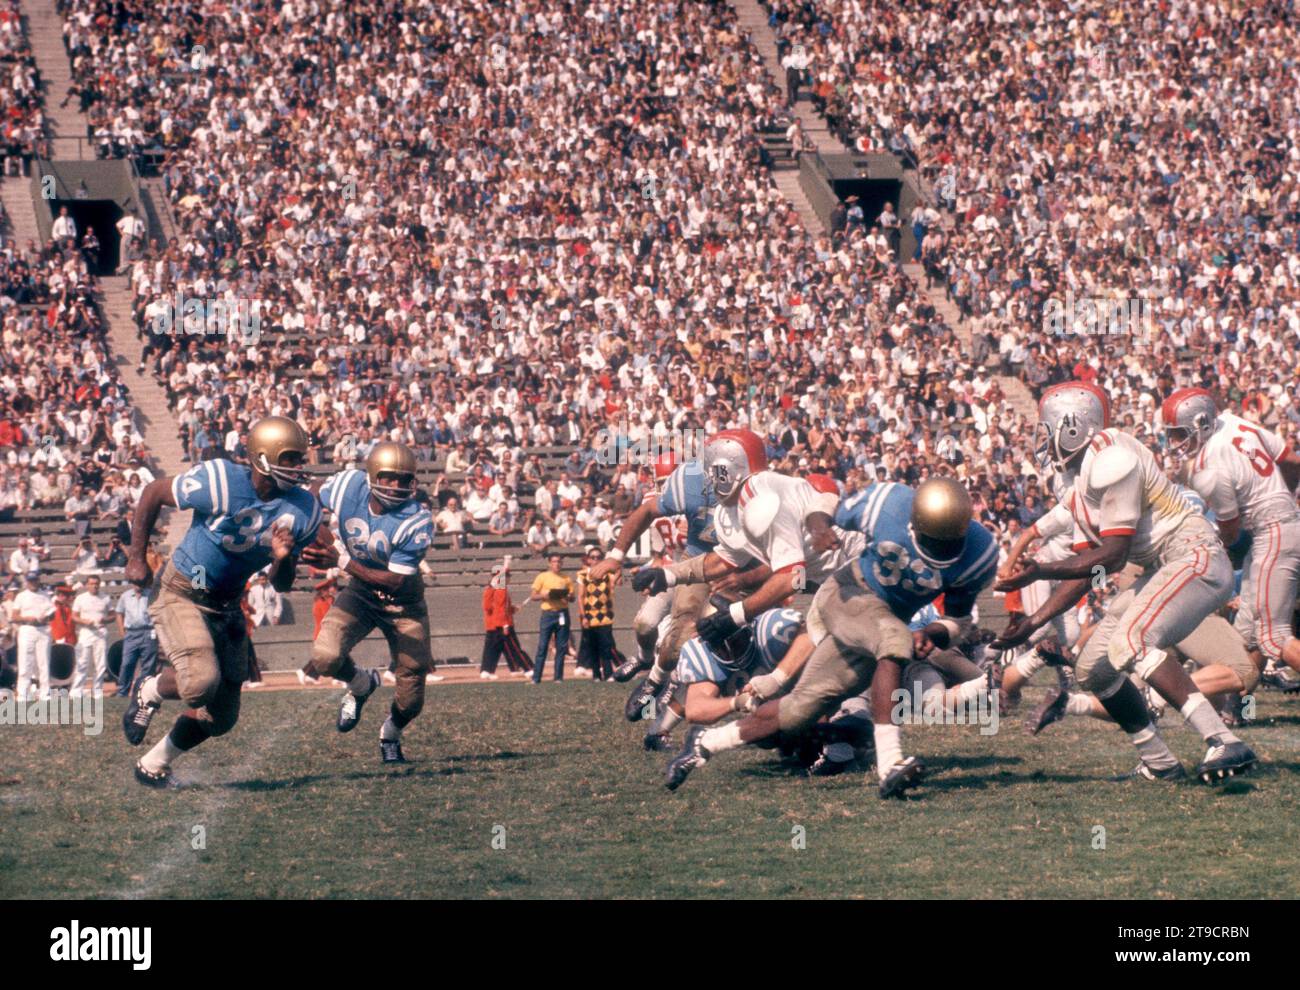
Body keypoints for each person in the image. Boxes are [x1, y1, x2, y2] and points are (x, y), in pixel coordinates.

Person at [121, 416, 322, 787]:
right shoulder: (221, 481)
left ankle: (154, 763)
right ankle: (148, 689)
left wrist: (283, 557)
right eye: (290, 458)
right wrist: (137, 556)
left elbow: (282, 584)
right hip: (183, 588)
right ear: (262, 457)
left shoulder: (303, 509)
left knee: (221, 717)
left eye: (299, 458)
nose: (297, 467)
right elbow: (153, 492)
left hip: (228, 604)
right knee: (200, 683)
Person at [303, 442, 436, 763]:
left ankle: (390, 733)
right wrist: (315, 529)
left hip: (404, 603)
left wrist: (341, 558)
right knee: (324, 657)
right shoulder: (350, 485)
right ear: (373, 475)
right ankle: (362, 684)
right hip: (361, 593)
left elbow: (395, 580)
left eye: (405, 480)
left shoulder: (417, 519)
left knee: (411, 695)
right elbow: (310, 493)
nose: (398, 486)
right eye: (389, 478)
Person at [480, 557, 531, 679]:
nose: (509, 578)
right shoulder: (499, 589)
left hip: (493, 624)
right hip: (500, 624)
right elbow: (497, 608)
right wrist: (505, 624)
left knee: (494, 649)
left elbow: (498, 607)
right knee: (513, 647)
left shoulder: (492, 589)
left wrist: (513, 609)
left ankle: (488, 670)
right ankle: (528, 668)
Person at [576, 546, 621, 680]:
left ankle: (608, 674)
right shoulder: (582, 574)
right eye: (593, 557)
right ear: (588, 560)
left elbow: (617, 580)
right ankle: (596, 675)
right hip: (589, 616)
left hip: (605, 615)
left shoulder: (607, 575)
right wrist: (583, 616)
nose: (595, 560)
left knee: (606, 647)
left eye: (598, 558)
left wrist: (616, 564)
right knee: (592, 647)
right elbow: (580, 597)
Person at [529, 554, 574, 682]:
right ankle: (536, 678)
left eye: (559, 561)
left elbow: (572, 597)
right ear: (549, 563)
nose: (557, 564)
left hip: (562, 613)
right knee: (543, 646)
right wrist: (546, 595)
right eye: (554, 562)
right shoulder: (542, 577)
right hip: (548, 614)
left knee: (561, 647)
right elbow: (533, 596)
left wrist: (567, 596)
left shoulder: (566, 578)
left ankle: (558, 677)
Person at [13, 573, 54, 702]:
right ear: (27, 581)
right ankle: (22, 694)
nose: (33, 582)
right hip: (27, 628)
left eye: (35, 580)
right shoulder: (21, 596)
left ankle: (45, 693)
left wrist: (46, 617)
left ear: (38, 580)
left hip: (43, 629)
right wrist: (26, 618)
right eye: (30, 580)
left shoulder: (46, 595)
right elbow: (14, 616)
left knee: (44, 663)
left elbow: (52, 614)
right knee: (25, 662)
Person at [115, 574, 157, 697]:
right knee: (127, 663)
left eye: (140, 583)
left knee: (148, 665)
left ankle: (143, 693)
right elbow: (119, 613)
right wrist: (122, 632)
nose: (138, 585)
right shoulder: (125, 596)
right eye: (135, 583)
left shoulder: (151, 595)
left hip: (148, 632)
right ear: (132, 583)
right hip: (131, 633)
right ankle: (122, 692)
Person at [71, 574, 112, 698]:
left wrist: (105, 619)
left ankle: (98, 690)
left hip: (100, 632)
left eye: (96, 583)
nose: (94, 586)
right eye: (92, 583)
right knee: (82, 662)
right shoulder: (80, 598)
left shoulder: (105, 598)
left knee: (100, 663)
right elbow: (74, 616)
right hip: (86, 632)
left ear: (99, 584)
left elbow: (113, 615)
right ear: (87, 585)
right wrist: (84, 621)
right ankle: (77, 691)